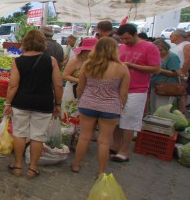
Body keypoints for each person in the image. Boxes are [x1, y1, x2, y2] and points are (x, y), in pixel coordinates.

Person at [4, 29, 63, 179]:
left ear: (25, 43)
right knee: (38, 136)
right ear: (42, 43)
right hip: (43, 103)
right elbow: (58, 85)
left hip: (21, 102)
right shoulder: (51, 61)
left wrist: (7, 103)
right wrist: (58, 104)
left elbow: (12, 86)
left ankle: (17, 166)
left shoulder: (18, 61)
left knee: (19, 133)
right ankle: (32, 169)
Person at [72, 38, 129, 177]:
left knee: (84, 137)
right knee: (104, 141)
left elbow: (80, 87)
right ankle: (101, 171)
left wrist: (82, 100)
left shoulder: (88, 65)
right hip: (110, 107)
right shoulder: (122, 67)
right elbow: (124, 93)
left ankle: (76, 165)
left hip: (88, 104)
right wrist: (120, 106)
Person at [110, 24, 161, 162]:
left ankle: (124, 150)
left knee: (129, 120)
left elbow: (156, 69)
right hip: (118, 88)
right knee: (115, 119)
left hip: (137, 90)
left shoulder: (150, 47)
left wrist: (132, 66)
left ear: (135, 34)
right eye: (122, 39)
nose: (125, 42)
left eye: (127, 38)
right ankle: (116, 145)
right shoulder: (120, 47)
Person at [61, 37, 97, 131]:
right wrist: (81, 81)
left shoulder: (95, 62)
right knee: (71, 114)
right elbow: (65, 75)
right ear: (84, 50)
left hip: (89, 93)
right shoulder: (75, 60)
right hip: (72, 92)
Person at [149, 38, 181, 113]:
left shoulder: (172, 57)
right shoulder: (156, 56)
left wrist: (159, 70)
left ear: (166, 48)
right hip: (155, 85)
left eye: (160, 50)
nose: (159, 52)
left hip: (167, 87)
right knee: (154, 107)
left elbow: (176, 73)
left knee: (161, 108)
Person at [169, 29, 190, 113]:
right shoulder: (179, 45)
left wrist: (183, 74)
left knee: (181, 93)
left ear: (177, 36)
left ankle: (181, 113)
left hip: (181, 73)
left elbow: (188, 60)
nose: (170, 38)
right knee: (178, 93)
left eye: (171, 36)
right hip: (176, 73)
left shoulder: (186, 45)